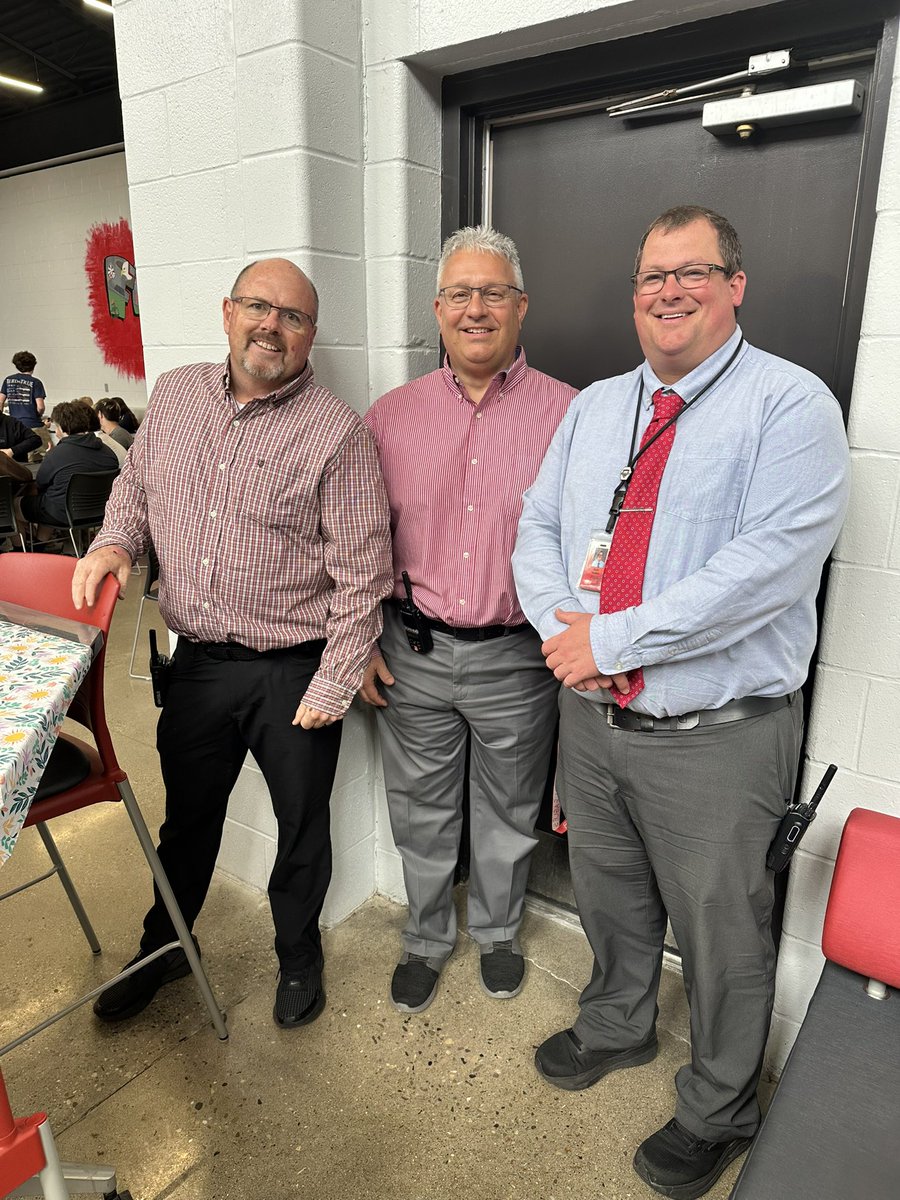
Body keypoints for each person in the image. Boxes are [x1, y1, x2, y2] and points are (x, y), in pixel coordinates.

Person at [512, 205, 850, 1200]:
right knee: (608, 894)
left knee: (721, 929)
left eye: (692, 271)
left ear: (735, 284)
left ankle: (718, 1107)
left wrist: (607, 638)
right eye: (652, 274)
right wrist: (561, 633)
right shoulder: (593, 407)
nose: (669, 290)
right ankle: (617, 1024)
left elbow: (766, 573)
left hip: (716, 739)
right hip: (593, 717)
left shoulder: (792, 407)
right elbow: (537, 526)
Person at [72, 258, 392, 1030]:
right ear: (227, 311)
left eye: (292, 317)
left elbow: (364, 570)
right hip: (200, 666)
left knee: (301, 829)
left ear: (311, 335)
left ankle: (298, 954)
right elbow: (136, 491)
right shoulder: (176, 395)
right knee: (187, 822)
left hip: (294, 672)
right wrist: (116, 543)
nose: (271, 326)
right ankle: (166, 946)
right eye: (258, 306)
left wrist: (334, 680)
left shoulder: (335, 432)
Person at [359, 225, 577, 1014]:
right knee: (420, 808)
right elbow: (357, 540)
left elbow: (597, 541)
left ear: (521, 308)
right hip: (409, 649)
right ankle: (424, 937)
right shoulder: (390, 417)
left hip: (519, 657)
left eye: (492, 293)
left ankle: (497, 932)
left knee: (510, 809)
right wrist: (355, 644)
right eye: (460, 293)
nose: (475, 308)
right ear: (437, 309)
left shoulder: (573, 415)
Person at [20, 401, 119, 536]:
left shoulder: (57, 454)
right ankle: (41, 543)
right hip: (100, 511)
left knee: (15, 505)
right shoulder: (108, 452)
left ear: (62, 428)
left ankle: (25, 548)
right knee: (53, 498)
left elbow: (40, 484)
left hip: (62, 514)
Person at [1, 351, 46, 429]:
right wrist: (39, 415)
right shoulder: (36, 382)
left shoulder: (8, 380)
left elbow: (0, 401)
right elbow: (40, 407)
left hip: (14, 424)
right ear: (33, 365)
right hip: (32, 424)